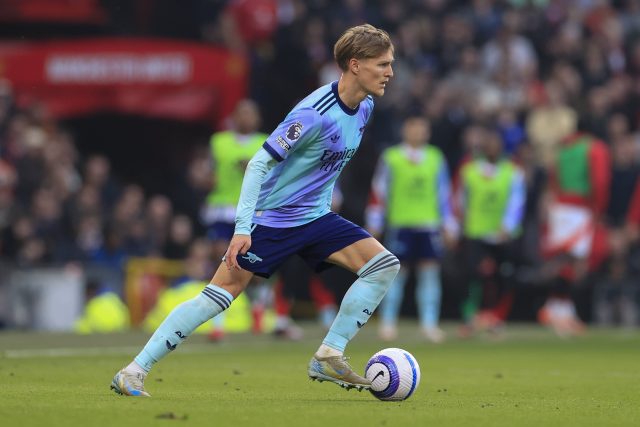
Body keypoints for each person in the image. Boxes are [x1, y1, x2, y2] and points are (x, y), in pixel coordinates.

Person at [111, 23, 398, 397]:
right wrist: (242, 229)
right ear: (355, 65)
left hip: (314, 218)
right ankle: (133, 371)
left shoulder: (365, 108)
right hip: (272, 222)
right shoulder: (312, 113)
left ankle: (329, 354)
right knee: (217, 296)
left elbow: (326, 164)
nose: (390, 73)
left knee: (383, 266)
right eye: (383, 64)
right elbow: (260, 165)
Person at [365, 116, 458, 343]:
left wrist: (449, 225)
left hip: (429, 224)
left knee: (429, 274)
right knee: (396, 274)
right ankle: (388, 324)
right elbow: (379, 190)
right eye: (413, 128)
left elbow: (444, 193)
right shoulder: (392, 157)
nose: (418, 132)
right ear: (405, 131)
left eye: (422, 128)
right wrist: (374, 222)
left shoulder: (436, 157)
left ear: (427, 132)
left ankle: (429, 324)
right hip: (400, 223)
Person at [201, 99, 271, 340]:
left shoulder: (266, 141)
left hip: (253, 210)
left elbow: (273, 174)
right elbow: (208, 173)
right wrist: (207, 179)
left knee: (253, 264)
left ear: (257, 118)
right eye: (241, 113)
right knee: (222, 260)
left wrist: (251, 169)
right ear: (234, 117)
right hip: (221, 209)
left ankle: (258, 313)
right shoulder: (218, 141)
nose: (246, 118)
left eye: (250, 113)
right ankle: (217, 323)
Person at [537, 128, 610, 336]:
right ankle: (560, 312)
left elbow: (554, 179)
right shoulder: (594, 148)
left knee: (564, 260)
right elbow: (600, 181)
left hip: (560, 207)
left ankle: (558, 308)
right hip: (580, 208)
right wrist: (598, 209)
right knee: (574, 261)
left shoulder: (562, 150)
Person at [455, 126, 525, 337]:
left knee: (503, 277)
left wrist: (509, 225)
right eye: (489, 144)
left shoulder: (513, 172)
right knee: (472, 276)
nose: (493, 148)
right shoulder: (469, 171)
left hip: (502, 234)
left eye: (497, 144)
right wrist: (459, 225)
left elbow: (517, 201)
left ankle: (496, 318)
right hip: (475, 231)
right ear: (483, 147)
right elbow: (460, 200)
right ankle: (470, 318)